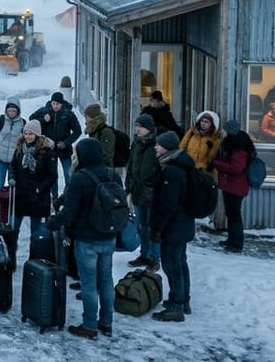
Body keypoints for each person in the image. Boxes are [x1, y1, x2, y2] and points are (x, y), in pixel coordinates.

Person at [48, 138, 119, 339]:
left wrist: (53, 224)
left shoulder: (80, 178)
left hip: (87, 239)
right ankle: (106, 323)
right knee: (106, 280)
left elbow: (69, 212)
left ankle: (89, 325)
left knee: (89, 283)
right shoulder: (112, 174)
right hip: (109, 236)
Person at [149, 132, 195, 322]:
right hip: (183, 224)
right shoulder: (181, 164)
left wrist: (157, 228)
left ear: (167, 147)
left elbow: (167, 205)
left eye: (158, 145)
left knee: (172, 265)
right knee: (180, 262)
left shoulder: (172, 171)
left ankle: (176, 305)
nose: (155, 147)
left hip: (173, 227)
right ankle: (183, 299)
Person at [8, 120, 56, 242]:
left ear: (37, 135)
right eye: (26, 133)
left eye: (31, 134)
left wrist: (40, 188)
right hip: (20, 193)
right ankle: (12, 256)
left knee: (36, 231)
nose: (27, 136)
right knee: (13, 228)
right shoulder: (19, 148)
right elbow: (13, 166)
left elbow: (52, 176)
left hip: (38, 196)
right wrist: (12, 178)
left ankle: (34, 257)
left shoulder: (46, 152)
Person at [212, 119, 256, 253]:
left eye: (224, 130)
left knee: (234, 215)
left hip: (235, 186)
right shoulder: (234, 143)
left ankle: (236, 243)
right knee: (231, 214)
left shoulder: (239, 147)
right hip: (231, 185)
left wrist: (217, 164)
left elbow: (236, 168)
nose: (222, 132)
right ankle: (232, 240)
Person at [125, 114, 161, 272]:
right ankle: (144, 254)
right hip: (138, 191)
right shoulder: (137, 142)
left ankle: (155, 258)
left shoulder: (157, 144)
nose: (138, 129)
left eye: (141, 126)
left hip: (152, 193)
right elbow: (131, 165)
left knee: (152, 228)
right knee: (140, 226)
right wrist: (128, 186)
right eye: (136, 125)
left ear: (149, 128)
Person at [29, 91, 82, 198]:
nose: (55, 106)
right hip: (49, 149)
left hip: (64, 149)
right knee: (52, 176)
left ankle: (69, 197)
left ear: (61, 104)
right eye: (53, 103)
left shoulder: (68, 114)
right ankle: (55, 198)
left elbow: (77, 131)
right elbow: (32, 120)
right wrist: (43, 120)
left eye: (57, 104)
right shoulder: (45, 111)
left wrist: (66, 142)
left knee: (68, 175)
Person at [0, 100, 25, 190]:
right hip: (0, 158)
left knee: (14, 185)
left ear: (18, 111)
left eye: (14, 111)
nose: (11, 113)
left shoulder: (22, 123)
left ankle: (14, 204)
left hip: (14, 160)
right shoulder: (0, 120)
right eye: (9, 110)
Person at [180, 111, 223, 177]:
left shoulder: (215, 138)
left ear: (212, 124)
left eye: (206, 122)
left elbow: (212, 158)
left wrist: (211, 148)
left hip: (202, 172)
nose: (203, 123)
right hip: (188, 167)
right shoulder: (192, 132)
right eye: (202, 121)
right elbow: (182, 147)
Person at [82, 104, 116, 168]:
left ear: (92, 117)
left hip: (103, 169)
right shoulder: (93, 129)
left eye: (86, 116)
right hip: (94, 167)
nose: (85, 119)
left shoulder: (105, 131)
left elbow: (107, 155)